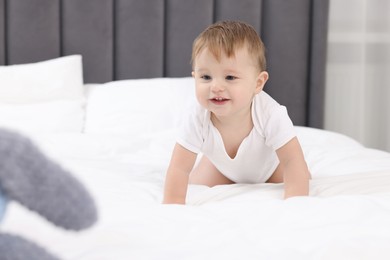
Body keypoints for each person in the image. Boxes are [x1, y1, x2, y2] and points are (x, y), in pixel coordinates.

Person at [163, 20, 311, 204]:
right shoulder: (197, 115)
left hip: (271, 169)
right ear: (194, 77)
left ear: (258, 83)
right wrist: (172, 206)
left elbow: (292, 161)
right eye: (206, 77)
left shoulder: (270, 114)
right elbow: (179, 168)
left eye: (230, 77)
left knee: (300, 176)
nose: (216, 86)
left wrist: (297, 204)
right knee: (194, 184)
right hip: (222, 169)